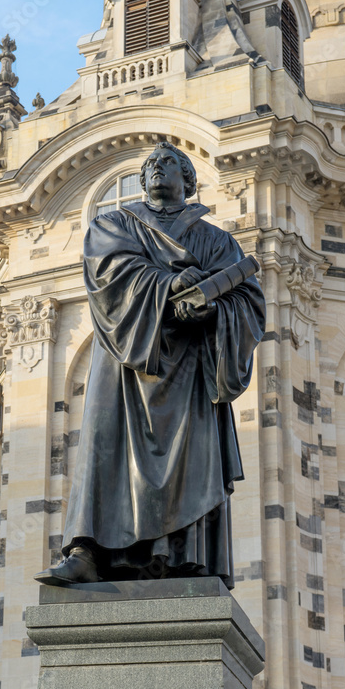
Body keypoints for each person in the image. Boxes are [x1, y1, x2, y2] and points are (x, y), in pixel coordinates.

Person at [35, 142, 266, 587]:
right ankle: (87, 551)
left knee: (190, 459)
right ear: (143, 182)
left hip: (190, 368)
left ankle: (183, 556)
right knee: (104, 449)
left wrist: (213, 310)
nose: (159, 169)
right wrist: (170, 283)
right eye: (151, 166)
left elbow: (250, 302)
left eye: (169, 164)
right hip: (126, 360)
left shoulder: (217, 240)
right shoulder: (114, 223)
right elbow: (109, 272)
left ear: (188, 181)